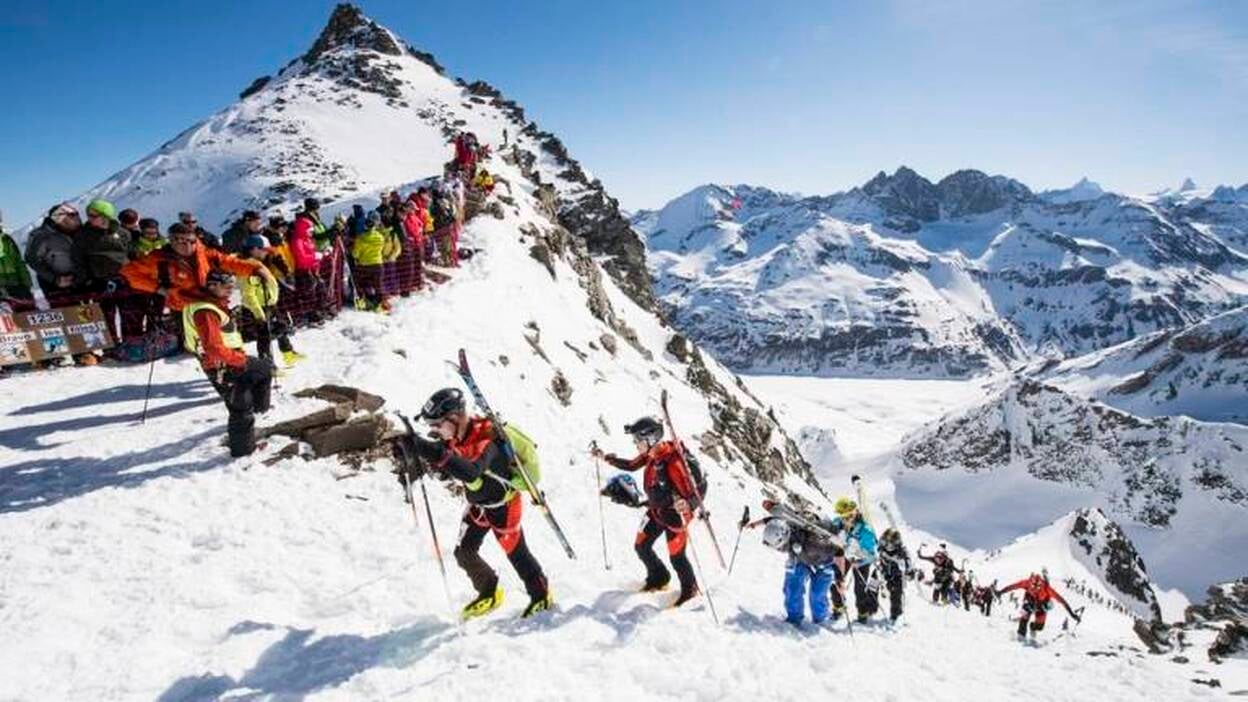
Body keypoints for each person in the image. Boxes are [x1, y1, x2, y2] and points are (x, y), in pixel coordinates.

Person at [393, 388, 553, 620]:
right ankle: (490, 591)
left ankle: (541, 595)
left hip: (503, 506)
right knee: (464, 552)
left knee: (517, 554)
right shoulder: (456, 436)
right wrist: (410, 447)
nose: (434, 431)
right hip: (479, 505)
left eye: (437, 425)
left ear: (455, 418)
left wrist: (421, 446)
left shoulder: (488, 439)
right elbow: (447, 459)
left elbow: (470, 472)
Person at [591, 416, 702, 607]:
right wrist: (605, 458)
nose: (635, 444)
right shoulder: (653, 454)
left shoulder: (673, 462)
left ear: (650, 440)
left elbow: (694, 493)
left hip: (674, 518)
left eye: (637, 440)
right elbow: (632, 465)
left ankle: (690, 589)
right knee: (641, 546)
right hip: (656, 511)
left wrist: (686, 505)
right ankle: (659, 576)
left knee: (677, 557)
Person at [182, 270, 272, 457]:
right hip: (224, 363)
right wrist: (240, 360)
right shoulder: (205, 311)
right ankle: (244, 450)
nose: (231, 290)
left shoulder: (208, 304)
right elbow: (213, 346)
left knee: (262, 372)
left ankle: (259, 412)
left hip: (225, 360)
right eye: (227, 286)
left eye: (232, 286)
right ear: (212, 286)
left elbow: (225, 332)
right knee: (240, 405)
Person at [120, 223, 271, 312]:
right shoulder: (159, 259)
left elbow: (230, 262)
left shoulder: (204, 253)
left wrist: (255, 268)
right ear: (171, 240)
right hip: (182, 308)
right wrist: (159, 289)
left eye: (191, 241)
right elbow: (130, 273)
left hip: (209, 301)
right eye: (181, 240)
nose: (188, 245)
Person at [747, 500, 846, 626]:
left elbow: (838, 552)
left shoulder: (815, 543)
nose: (778, 549)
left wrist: (840, 579)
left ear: (785, 537)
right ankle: (794, 619)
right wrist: (754, 524)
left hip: (823, 561)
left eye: (779, 545)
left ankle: (821, 621)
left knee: (817, 595)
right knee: (792, 587)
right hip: (800, 557)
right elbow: (775, 518)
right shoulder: (787, 524)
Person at [239, 235, 301, 367]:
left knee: (281, 325)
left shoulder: (258, 262)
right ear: (254, 249)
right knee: (264, 337)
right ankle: (267, 365)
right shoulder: (246, 267)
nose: (266, 252)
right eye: (264, 249)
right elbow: (248, 294)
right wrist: (259, 314)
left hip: (269, 304)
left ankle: (288, 353)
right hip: (259, 308)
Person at [829, 497, 878, 623]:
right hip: (844, 557)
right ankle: (838, 607)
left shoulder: (865, 530)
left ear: (855, 512)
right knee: (835, 582)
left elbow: (872, 554)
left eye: (849, 515)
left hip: (861, 561)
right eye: (843, 516)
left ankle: (863, 613)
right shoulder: (838, 523)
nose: (846, 519)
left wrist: (859, 558)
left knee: (859, 589)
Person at [25, 202, 87, 297]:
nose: (77, 219)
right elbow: (33, 259)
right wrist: (54, 279)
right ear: (59, 219)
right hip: (57, 286)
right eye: (72, 216)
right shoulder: (42, 236)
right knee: (70, 311)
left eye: (76, 214)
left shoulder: (81, 231)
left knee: (94, 310)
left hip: (83, 281)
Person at [997, 571, 1080, 639]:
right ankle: (1020, 637)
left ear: (1041, 586)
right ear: (1031, 583)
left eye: (1038, 588)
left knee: (1040, 627)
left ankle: (1032, 627)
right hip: (1028, 603)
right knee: (1024, 619)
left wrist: (1072, 614)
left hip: (1041, 606)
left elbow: (1062, 601)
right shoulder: (1026, 583)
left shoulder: (1047, 589)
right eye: (1033, 587)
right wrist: (1001, 592)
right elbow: (1013, 586)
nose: (1035, 590)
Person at [350, 211, 397, 312]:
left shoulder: (361, 238)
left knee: (361, 284)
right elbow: (382, 248)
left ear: (366, 226)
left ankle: (364, 303)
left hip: (364, 265)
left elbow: (355, 254)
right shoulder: (380, 237)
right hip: (378, 264)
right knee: (379, 285)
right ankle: (382, 304)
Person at [876, 527, 912, 622]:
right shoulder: (882, 549)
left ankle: (896, 615)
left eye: (889, 543)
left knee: (895, 595)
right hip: (884, 573)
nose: (887, 546)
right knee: (872, 586)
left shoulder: (902, 551)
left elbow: (908, 562)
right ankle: (869, 609)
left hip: (897, 576)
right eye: (885, 543)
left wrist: (908, 570)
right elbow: (877, 554)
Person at [0, 210, 34, 304]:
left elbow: (19, 262)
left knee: (28, 314)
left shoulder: (6, 239)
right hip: (2, 292)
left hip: (18, 287)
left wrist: (26, 283)